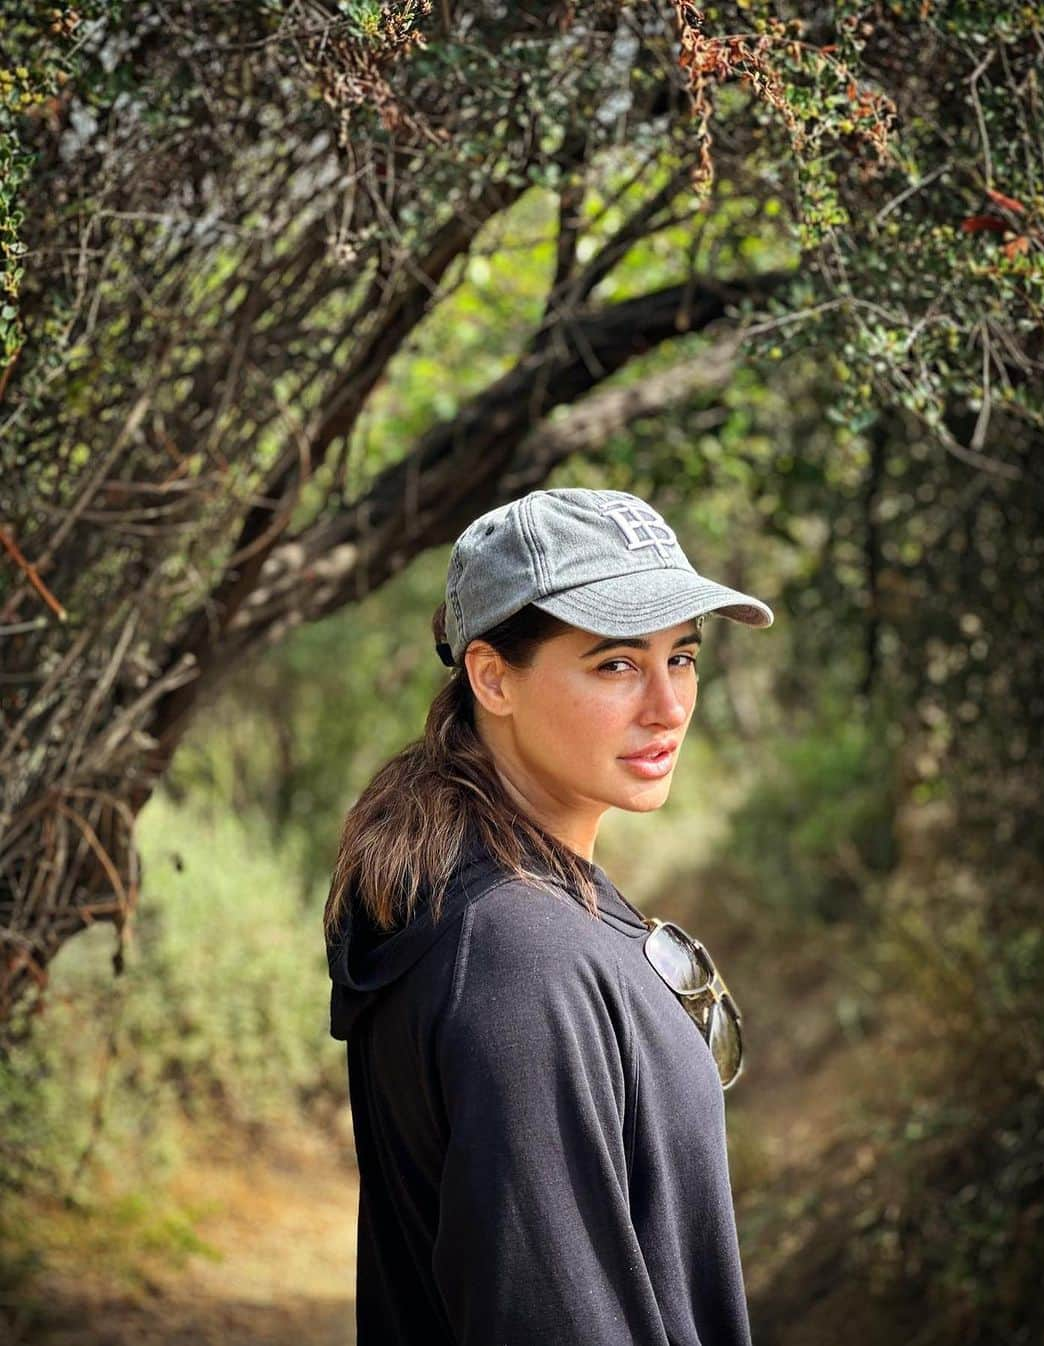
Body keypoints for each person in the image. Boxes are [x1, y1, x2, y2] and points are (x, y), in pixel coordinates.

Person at [324, 487, 774, 1346]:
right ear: (493, 676)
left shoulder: (521, 901)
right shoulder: (519, 961)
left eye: (681, 657)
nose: (668, 706)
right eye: (615, 664)